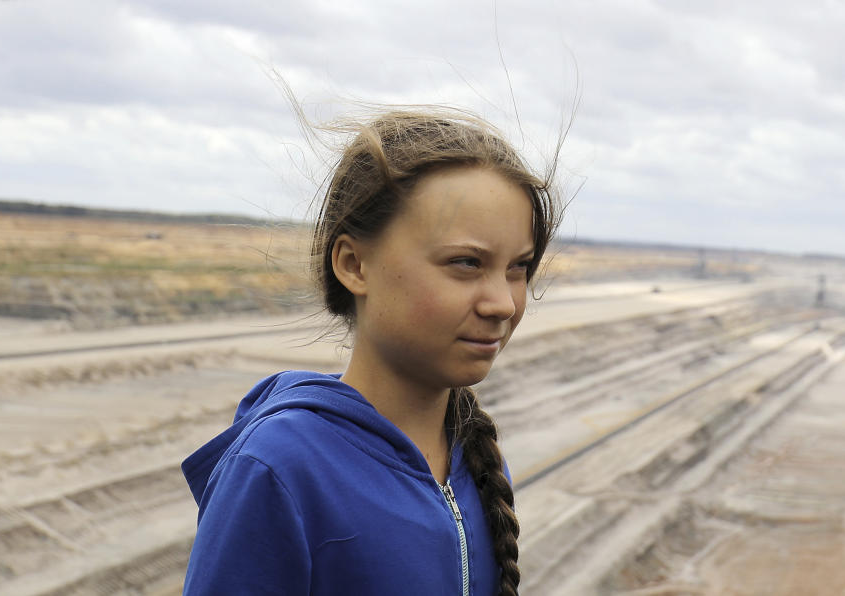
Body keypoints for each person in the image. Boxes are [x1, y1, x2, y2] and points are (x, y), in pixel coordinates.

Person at [181, 108, 563, 595]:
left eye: (518, 267)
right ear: (354, 264)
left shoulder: (476, 460)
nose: (503, 302)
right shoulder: (278, 469)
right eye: (466, 263)